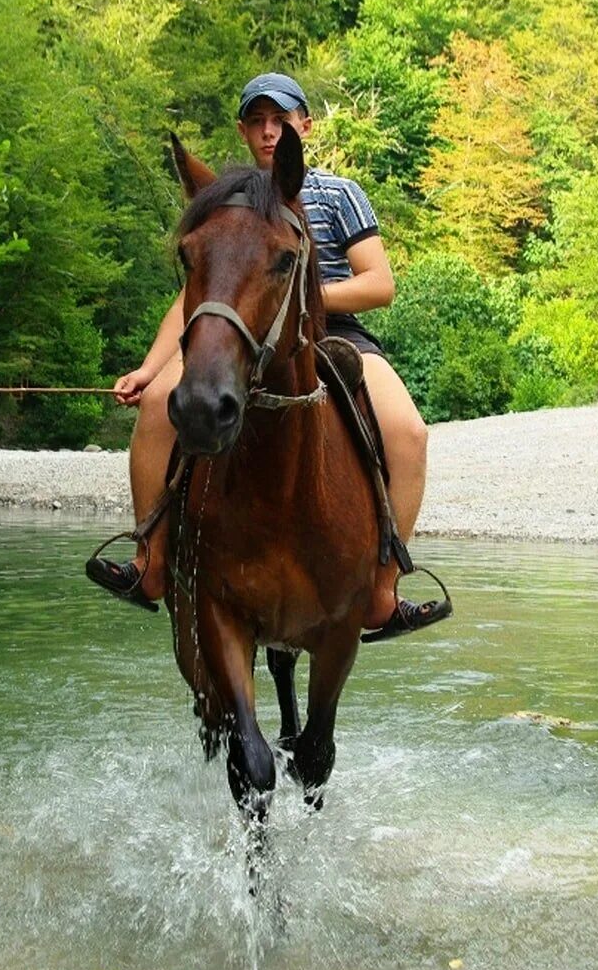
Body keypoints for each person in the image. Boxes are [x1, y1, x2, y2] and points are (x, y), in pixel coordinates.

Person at [87, 72, 451, 638]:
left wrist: (298, 296)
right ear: (242, 131)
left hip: (334, 333)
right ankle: (151, 561)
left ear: (304, 126)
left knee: (409, 433)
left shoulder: (339, 193)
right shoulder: (226, 201)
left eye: (279, 121)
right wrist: (150, 368)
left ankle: (382, 588)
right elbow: (194, 295)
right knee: (159, 404)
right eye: (256, 122)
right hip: (237, 335)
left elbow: (379, 283)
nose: (268, 132)